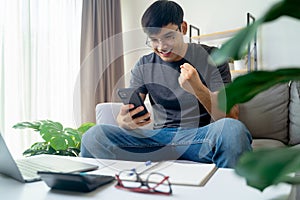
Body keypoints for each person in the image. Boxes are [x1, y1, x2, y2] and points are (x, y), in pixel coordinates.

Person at [81, 0, 252, 168]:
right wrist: (124, 120)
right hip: (158, 139)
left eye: (168, 36)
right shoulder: (143, 65)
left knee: (232, 130)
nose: (161, 46)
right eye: (154, 40)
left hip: (201, 138)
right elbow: (128, 114)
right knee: (94, 136)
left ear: (183, 28)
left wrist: (197, 88)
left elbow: (230, 116)